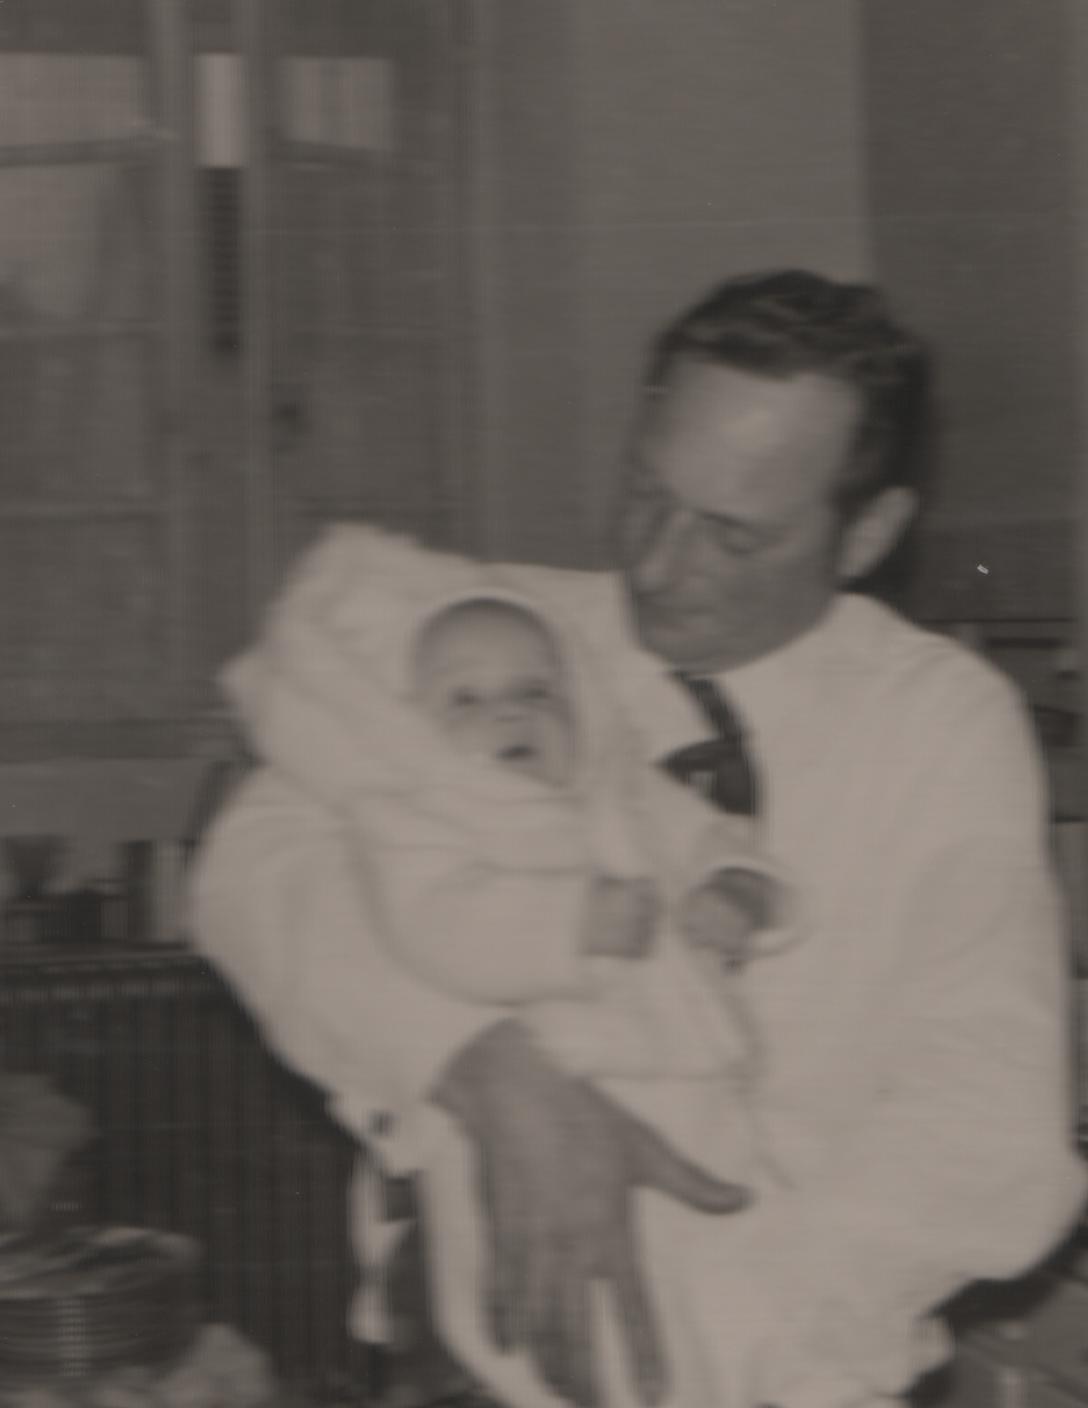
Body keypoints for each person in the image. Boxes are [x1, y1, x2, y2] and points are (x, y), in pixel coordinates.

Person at [190, 269, 1088, 1408]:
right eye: (645, 492)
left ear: (867, 532)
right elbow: (249, 860)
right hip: (467, 1362)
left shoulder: (941, 725)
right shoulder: (501, 638)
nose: (658, 567)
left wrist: (741, 1333)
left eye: (731, 537)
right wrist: (478, 1067)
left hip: (791, 1365)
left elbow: (987, 1115)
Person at [221, 547, 794, 1408]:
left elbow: (709, 838)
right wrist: (566, 926)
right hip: (529, 1096)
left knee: (724, 1298)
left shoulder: (621, 791)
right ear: (411, 729)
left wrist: (740, 886)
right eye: (466, 700)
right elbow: (433, 921)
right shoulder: (420, 816)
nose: (509, 713)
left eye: (535, 692)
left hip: (688, 1087)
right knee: (540, 1314)